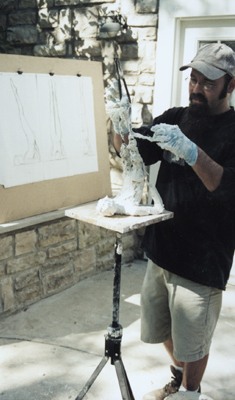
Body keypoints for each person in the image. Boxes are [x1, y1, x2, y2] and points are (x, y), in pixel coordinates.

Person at [107, 43, 235, 399]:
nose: (196, 89)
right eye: (193, 79)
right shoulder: (176, 117)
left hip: (203, 259)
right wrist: (119, 124)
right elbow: (131, 152)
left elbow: (226, 187)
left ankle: (191, 393)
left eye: (208, 83)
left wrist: (191, 152)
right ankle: (179, 379)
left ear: (230, 86)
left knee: (194, 340)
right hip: (161, 251)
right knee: (160, 326)